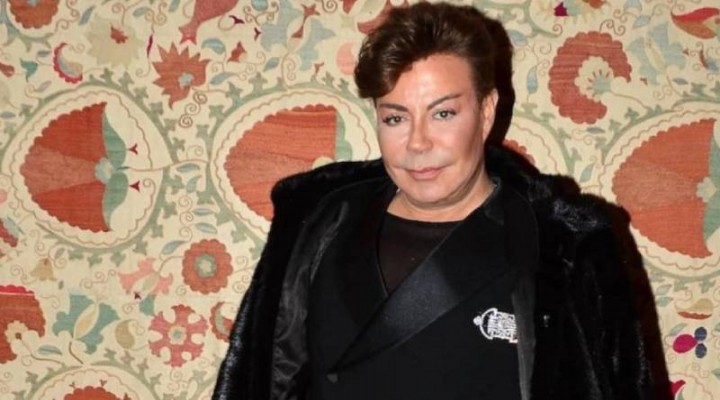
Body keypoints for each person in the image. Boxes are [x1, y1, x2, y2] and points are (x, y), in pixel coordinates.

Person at [213, 3, 654, 399]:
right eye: (395, 118)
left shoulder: (562, 247)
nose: (418, 143)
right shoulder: (316, 224)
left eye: (443, 113)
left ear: (486, 112)